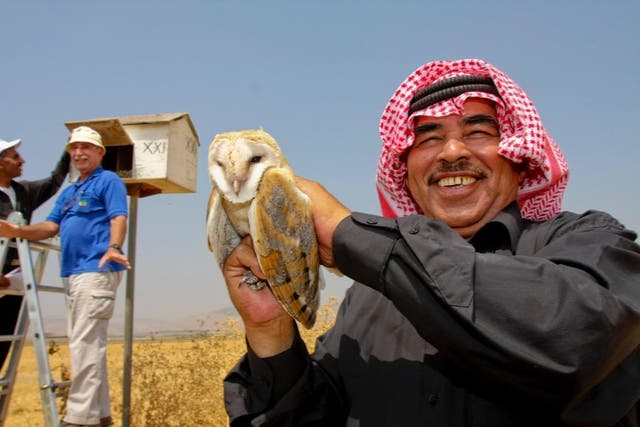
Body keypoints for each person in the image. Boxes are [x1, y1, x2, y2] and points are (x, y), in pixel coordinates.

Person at [221, 58, 640, 426]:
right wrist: (271, 329)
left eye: (478, 132)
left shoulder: (589, 243)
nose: (451, 151)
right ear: (404, 169)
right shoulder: (370, 296)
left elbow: (574, 339)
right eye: (428, 138)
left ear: (519, 155)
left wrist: (351, 234)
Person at [0, 126, 131, 427]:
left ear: (101, 152)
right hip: (72, 272)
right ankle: (100, 415)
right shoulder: (71, 191)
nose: (79, 153)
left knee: (84, 345)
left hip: (95, 270)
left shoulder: (108, 181)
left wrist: (114, 246)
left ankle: (78, 419)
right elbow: (50, 226)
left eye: (86, 147)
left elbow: (118, 216)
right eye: (74, 148)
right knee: (87, 344)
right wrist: (19, 232)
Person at [0, 137, 70, 371]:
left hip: (15, 281)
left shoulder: (24, 192)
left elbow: (54, 181)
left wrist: (70, 147)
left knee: (3, 346)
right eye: (15, 156)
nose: (23, 160)